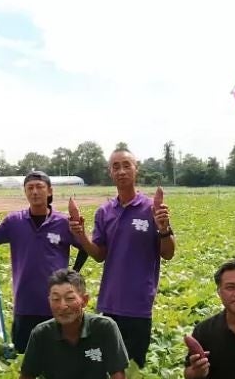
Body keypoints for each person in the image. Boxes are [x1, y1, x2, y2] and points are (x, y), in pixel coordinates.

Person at [68, 148, 176, 367]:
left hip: (139, 304)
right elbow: (99, 255)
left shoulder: (151, 209)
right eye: (116, 166)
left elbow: (168, 253)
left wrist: (163, 228)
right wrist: (81, 236)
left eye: (127, 165)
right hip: (109, 302)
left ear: (136, 170)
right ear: (110, 172)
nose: (121, 171)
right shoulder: (104, 212)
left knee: (133, 368)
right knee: (104, 365)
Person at [0, 171, 87, 353]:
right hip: (25, 303)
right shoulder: (15, 221)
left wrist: (73, 273)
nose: (35, 192)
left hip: (56, 305)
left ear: (50, 191)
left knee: (58, 355)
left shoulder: (62, 223)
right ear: (25, 192)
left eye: (39, 187)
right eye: (30, 188)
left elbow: (84, 246)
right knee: (24, 355)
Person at [11, 269, 130, 379]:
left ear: (85, 300)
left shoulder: (105, 328)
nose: (62, 306)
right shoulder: (41, 333)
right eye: (55, 299)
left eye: (70, 298)